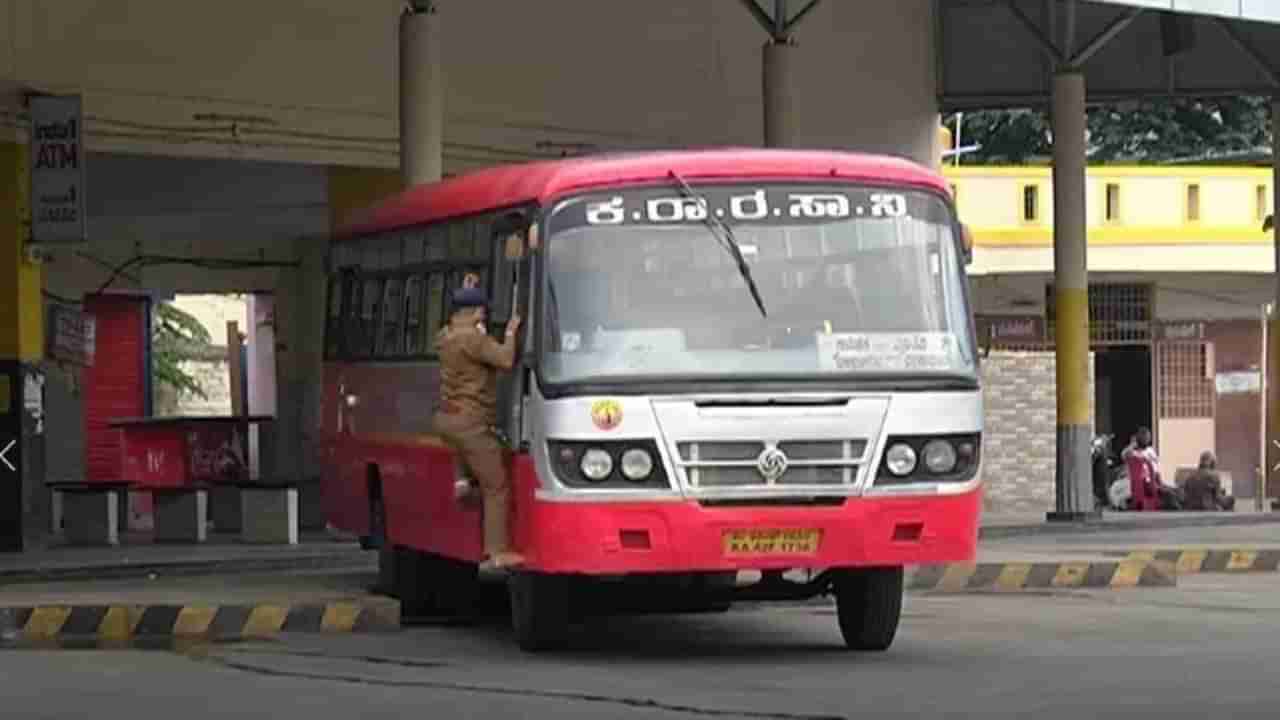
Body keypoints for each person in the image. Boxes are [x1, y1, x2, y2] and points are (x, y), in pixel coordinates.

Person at [432, 272, 525, 571]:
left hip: (446, 419)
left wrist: (468, 291)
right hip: (470, 421)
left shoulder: (445, 335)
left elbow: (465, 320)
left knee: (474, 452)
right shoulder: (474, 339)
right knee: (496, 485)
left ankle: (462, 480)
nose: (485, 313)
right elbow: (505, 360)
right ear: (475, 313)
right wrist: (511, 332)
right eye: (482, 310)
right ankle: (495, 552)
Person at [1121, 427, 1161, 512]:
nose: (1146, 439)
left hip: (1150, 482)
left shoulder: (1150, 451)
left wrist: (1159, 481)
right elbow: (1123, 455)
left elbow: (1156, 469)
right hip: (1138, 483)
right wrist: (1132, 445)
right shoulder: (1132, 452)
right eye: (1143, 437)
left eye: (1147, 437)